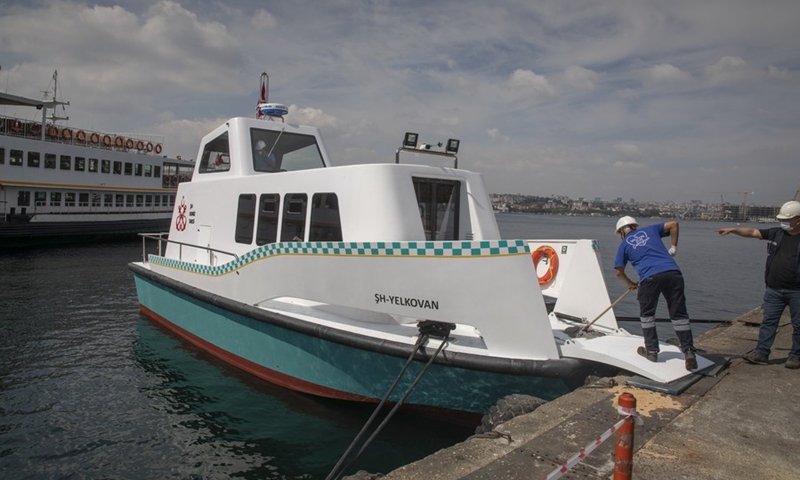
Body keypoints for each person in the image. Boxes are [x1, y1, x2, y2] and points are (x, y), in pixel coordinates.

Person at [716, 200, 800, 369]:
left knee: (798, 325)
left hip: (797, 291)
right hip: (774, 289)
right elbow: (752, 232)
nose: (783, 222)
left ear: (798, 220)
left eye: (787, 219)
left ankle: (796, 356)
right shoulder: (776, 233)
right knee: (768, 321)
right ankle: (761, 353)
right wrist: (734, 230)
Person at [613, 216, 697, 370]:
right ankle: (689, 351)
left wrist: (630, 284)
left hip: (650, 278)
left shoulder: (624, 245)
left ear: (621, 232)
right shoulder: (651, 230)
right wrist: (673, 247)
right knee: (679, 314)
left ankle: (651, 351)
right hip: (673, 273)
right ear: (634, 226)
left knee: (647, 315)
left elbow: (619, 272)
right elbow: (674, 224)